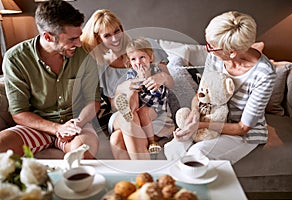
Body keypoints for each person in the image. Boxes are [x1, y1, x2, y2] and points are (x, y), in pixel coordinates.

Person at [165, 11, 276, 164]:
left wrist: (200, 126)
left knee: (198, 154)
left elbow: (243, 128)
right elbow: (201, 95)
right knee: (174, 147)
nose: (207, 49)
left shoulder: (264, 74)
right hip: (209, 119)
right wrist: (195, 114)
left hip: (240, 133)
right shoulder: (215, 57)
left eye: (211, 47)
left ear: (232, 53)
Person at [0, 0, 101, 158]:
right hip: (37, 126)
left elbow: (92, 101)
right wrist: (56, 128)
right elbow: (19, 112)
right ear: (47, 37)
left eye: (79, 37)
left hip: (76, 123)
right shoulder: (15, 58)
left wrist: (76, 124)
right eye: (71, 39)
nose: (79, 43)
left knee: (83, 152)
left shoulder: (84, 56)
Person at [81, 9, 175, 159]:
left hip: (154, 111)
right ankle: (146, 176)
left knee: (117, 139)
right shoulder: (99, 66)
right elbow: (111, 106)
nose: (115, 38)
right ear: (99, 40)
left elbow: (170, 84)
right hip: (120, 114)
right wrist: (121, 90)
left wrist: (162, 77)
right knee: (128, 114)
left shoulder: (145, 46)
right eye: (107, 35)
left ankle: (134, 179)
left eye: (117, 31)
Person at [115, 38, 170, 154]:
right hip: (138, 105)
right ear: (130, 62)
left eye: (142, 57)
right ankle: (128, 109)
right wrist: (138, 79)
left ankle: (152, 142)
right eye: (133, 59)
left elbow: (160, 91)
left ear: (150, 58)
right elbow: (132, 90)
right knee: (133, 92)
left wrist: (146, 77)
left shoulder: (157, 70)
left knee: (143, 111)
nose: (138, 62)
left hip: (156, 107)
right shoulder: (131, 73)